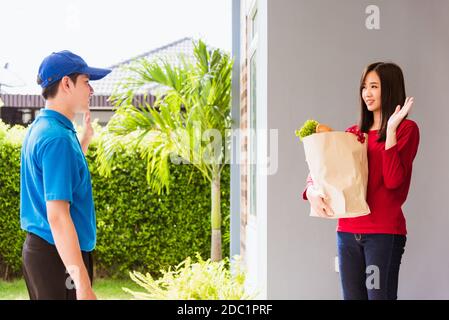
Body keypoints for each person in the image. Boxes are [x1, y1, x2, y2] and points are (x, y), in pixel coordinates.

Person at [303, 62, 420, 300]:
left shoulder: (407, 130)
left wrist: (391, 132)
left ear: (389, 89)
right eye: (364, 86)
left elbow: (393, 181)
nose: (367, 93)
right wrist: (311, 190)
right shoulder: (353, 133)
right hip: (347, 233)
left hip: (384, 234)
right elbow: (326, 170)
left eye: (374, 86)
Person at [20, 50, 111, 300]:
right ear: (66, 83)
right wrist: (82, 283)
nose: (91, 89)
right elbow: (58, 216)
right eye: (86, 81)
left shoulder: (43, 128)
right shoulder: (57, 138)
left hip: (48, 251)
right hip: (58, 256)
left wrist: (83, 142)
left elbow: (54, 178)